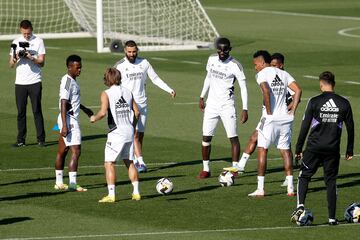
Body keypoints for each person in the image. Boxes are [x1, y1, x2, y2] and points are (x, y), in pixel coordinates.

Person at [291, 71, 354, 226]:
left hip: (313, 147)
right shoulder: (344, 103)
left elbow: (305, 126)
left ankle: (300, 206)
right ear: (333, 83)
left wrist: (298, 148)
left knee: (304, 176)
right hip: (332, 148)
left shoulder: (314, 101)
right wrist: (349, 150)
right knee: (331, 181)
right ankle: (332, 218)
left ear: (321, 84)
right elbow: (351, 128)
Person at [235, 53, 298, 188]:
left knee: (263, 148)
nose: (255, 67)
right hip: (282, 118)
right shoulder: (283, 75)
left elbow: (267, 91)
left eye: (256, 64)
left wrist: (271, 112)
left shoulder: (267, 74)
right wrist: (291, 111)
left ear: (263, 63)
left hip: (270, 117)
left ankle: (260, 188)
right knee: (258, 139)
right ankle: (290, 184)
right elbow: (298, 91)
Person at [114, 40, 176, 173]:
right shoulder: (119, 66)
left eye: (134, 52)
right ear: (125, 51)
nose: (132, 54)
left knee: (139, 134)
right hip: (127, 105)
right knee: (133, 134)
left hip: (142, 104)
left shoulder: (144, 63)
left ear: (137, 51)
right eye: (129, 52)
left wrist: (169, 89)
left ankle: (136, 159)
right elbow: (113, 84)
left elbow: (155, 79)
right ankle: (140, 162)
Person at [198, 37, 248, 179]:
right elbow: (208, 77)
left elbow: (243, 87)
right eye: (220, 49)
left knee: (233, 137)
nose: (222, 52)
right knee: (206, 137)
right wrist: (202, 96)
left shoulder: (235, 65)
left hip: (227, 105)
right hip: (211, 105)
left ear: (229, 50)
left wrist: (245, 108)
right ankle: (206, 169)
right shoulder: (211, 59)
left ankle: (234, 169)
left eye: (225, 49)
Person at [90, 68, 141, 202]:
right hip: (129, 131)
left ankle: (111, 195)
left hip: (116, 133)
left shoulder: (106, 93)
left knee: (109, 163)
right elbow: (137, 112)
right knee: (129, 162)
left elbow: (102, 113)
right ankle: (136, 192)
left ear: (107, 79)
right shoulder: (128, 92)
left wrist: (94, 118)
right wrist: (133, 126)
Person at [54, 55, 93, 192]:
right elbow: (64, 102)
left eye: (80, 67)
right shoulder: (68, 81)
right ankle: (72, 183)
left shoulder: (72, 81)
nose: (80, 70)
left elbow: (72, 101)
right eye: (77, 67)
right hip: (69, 119)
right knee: (76, 151)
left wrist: (84, 109)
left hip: (67, 118)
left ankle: (59, 182)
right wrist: (65, 125)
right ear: (69, 67)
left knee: (62, 150)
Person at [9, 20, 46, 147]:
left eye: (28, 33)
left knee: (36, 110)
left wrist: (32, 58)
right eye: (24, 34)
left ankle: (41, 139)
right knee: (21, 112)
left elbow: (42, 63)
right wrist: (18, 56)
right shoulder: (15, 42)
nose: (26, 36)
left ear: (31, 29)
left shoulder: (38, 41)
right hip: (20, 83)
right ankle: (21, 140)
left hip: (35, 81)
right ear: (20, 30)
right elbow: (11, 64)